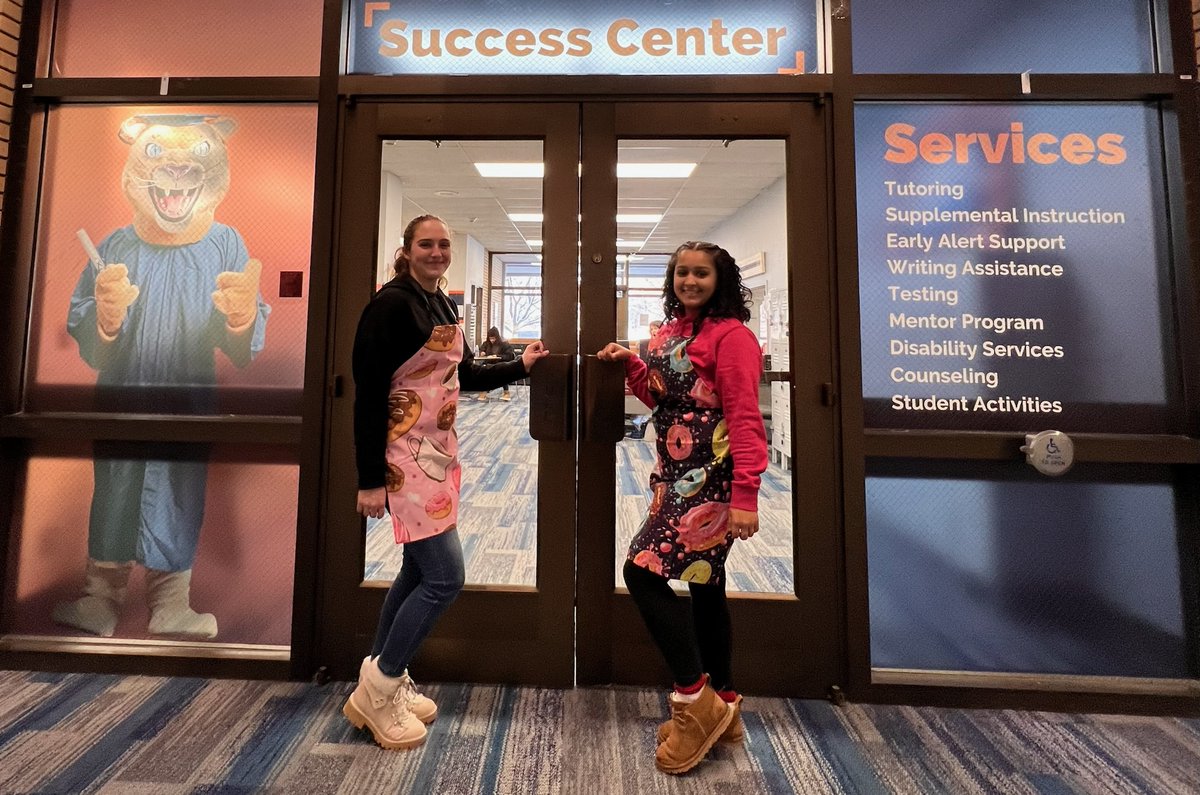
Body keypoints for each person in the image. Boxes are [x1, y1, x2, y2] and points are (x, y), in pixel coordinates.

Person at [344, 214, 548, 750]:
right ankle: (381, 686)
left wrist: (519, 367)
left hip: (437, 452)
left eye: (442, 244)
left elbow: (462, 375)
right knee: (444, 577)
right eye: (425, 244)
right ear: (407, 250)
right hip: (401, 458)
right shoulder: (390, 306)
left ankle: (380, 680)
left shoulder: (439, 303)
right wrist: (368, 479)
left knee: (415, 571)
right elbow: (367, 397)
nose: (436, 252)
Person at [597, 241, 767, 775]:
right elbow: (661, 397)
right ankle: (728, 702)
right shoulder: (670, 333)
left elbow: (744, 418)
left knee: (641, 571)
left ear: (722, 280)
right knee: (704, 585)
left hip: (710, 481)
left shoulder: (733, 336)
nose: (690, 281)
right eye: (682, 273)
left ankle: (695, 701)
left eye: (702, 273)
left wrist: (745, 495)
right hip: (672, 474)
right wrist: (631, 363)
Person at [476, 326, 516, 401]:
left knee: (501, 371)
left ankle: (506, 392)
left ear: (497, 337)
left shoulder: (504, 344)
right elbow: (482, 349)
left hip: (500, 363)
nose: (492, 340)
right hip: (489, 364)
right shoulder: (486, 344)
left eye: (493, 338)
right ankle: (484, 391)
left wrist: (498, 356)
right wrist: (482, 352)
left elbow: (509, 356)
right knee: (483, 370)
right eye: (490, 338)